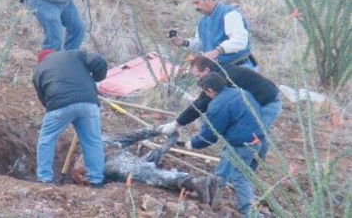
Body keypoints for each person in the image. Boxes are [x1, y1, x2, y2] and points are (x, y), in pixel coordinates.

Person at [159, 55, 281, 171]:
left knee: (254, 135)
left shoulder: (222, 78)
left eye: (198, 75)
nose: (197, 79)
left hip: (267, 103)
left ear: (207, 70)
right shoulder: (217, 74)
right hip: (257, 100)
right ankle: (242, 170)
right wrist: (177, 123)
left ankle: (246, 172)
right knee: (252, 134)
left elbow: (202, 103)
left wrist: (177, 124)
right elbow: (202, 101)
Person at [180, 72, 264, 218]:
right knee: (224, 164)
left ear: (210, 90)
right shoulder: (241, 92)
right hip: (255, 138)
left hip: (244, 143)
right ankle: (213, 196)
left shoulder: (218, 104)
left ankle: (251, 214)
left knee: (239, 177)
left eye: (205, 91)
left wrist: (192, 143)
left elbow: (210, 134)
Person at [72, 128, 218, 205]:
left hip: (113, 165)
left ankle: (191, 181)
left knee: (147, 174)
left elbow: (80, 171)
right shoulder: (106, 140)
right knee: (146, 169)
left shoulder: (87, 151)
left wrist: (84, 179)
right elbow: (135, 135)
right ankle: (193, 181)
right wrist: (157, 130)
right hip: (121, 160)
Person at [32, 49, 107, 188]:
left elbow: (44, 99)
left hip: (59, 105)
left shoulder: (38, 70)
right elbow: (96, 59)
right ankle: (96, 181)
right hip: (88, 102)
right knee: (92, 141)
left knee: (46, 139)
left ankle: (44, 179)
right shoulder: (74, 54)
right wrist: (99, 77)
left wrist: (58, 109)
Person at [171, 0, 256, 70]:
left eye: (197, 3)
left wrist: (217, 51)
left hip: (240, 66)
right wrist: (184, 42)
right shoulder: (201, 22)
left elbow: (240, 41)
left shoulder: (229, 14)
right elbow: (201, 44)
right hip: (219, 71)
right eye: (194, 4)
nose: (195, 7)